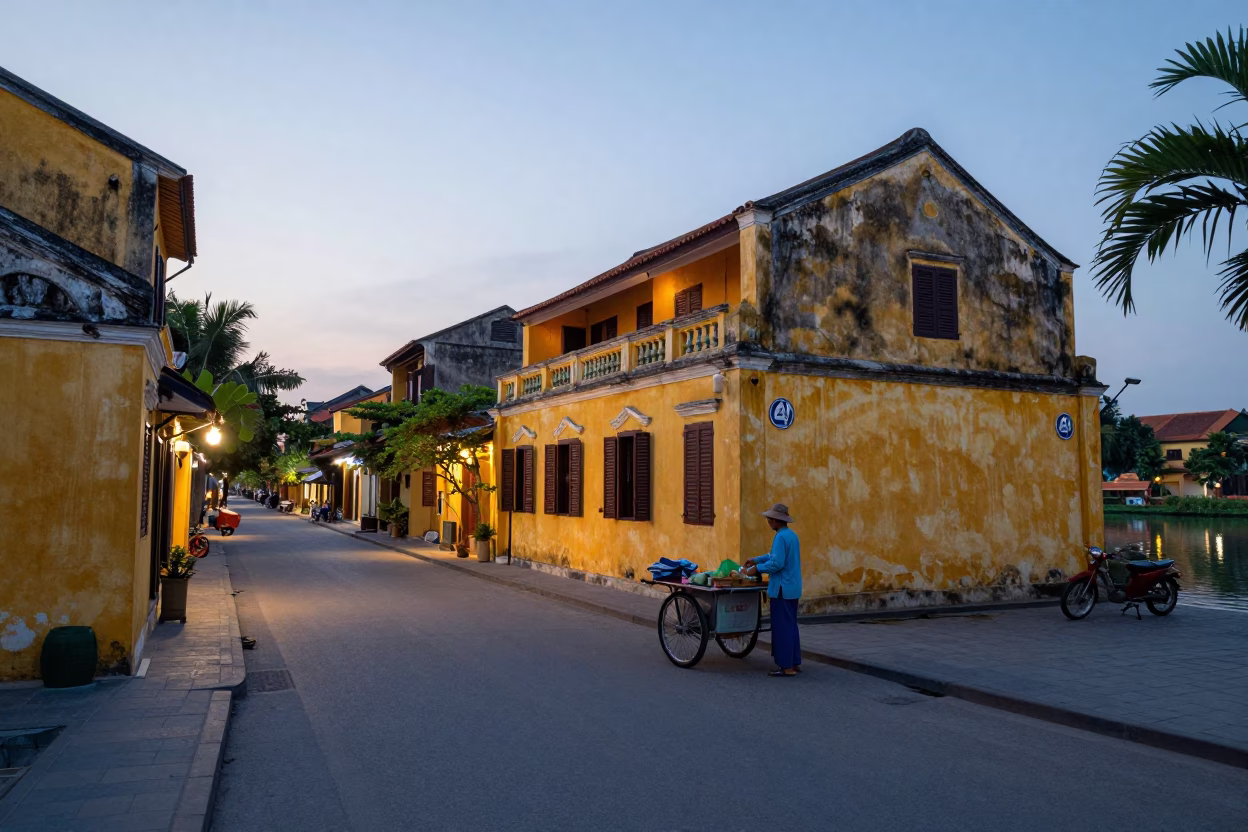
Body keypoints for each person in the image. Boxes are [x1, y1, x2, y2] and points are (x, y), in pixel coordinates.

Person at [744, 503, 802, 677]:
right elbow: (772, 555)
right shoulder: (791, 535)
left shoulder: (780, 538)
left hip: (782, 589)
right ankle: (794, 661)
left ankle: (786, 667)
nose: (768, 522)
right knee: (791, 626)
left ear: (777, 520)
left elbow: (776, 563)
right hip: (793, 587)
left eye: (770, 519)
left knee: (782, 628)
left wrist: (757, 569)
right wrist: (756, 560)